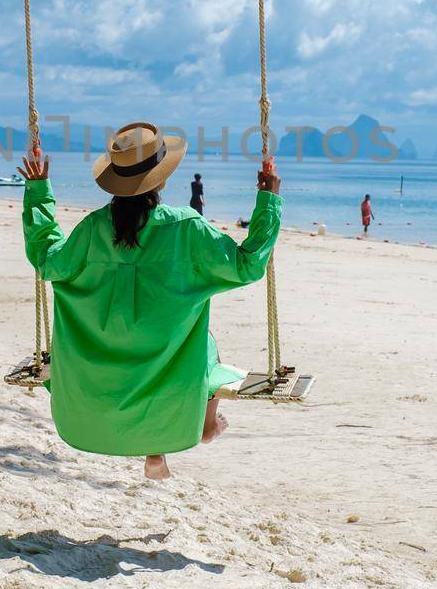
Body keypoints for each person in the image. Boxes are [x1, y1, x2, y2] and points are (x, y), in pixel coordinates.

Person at [19, 122, 282, 481]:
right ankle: (196, 428)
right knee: (200, 345)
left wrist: (37, 192)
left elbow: (47, 258)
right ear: (161, 179)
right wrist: (268, 201)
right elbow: (248, 265)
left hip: (100, 367)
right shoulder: (185, 227)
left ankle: (155, 445)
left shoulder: (94, 227)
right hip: (165, 362)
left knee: (160, 340)